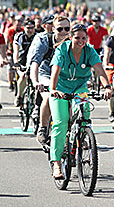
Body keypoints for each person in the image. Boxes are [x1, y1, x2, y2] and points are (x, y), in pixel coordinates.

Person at [49, 23, 113, 179]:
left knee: (84, 114)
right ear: (70, 37)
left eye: (84, 38)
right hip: (61, 88)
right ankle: (56, 162)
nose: (81, 41)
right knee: (61, 122)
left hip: (79, 87)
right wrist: (53, 89)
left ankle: (83, 135)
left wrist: (107, 87)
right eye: (77, 38)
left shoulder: (89, 51)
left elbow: (99, 69)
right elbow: (55, 70)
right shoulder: (62, 50)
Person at [28, 15, 71, 145]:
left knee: (73, 99)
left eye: (66, 29)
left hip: (64, 75)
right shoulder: (44, 40)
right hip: (45, 73)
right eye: (60, 29)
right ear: (53, 29)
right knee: (48, 97)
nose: (63, 32)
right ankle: (43, 128)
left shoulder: (72, 41)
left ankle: (73, 133)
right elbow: (35, 63)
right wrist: (35, 82)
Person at [13, 19, 36, 107]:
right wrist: (16, 62)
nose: (30, 30)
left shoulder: (38, 37)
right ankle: (19, 96)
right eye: (28, 28)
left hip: (33, 62)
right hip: (22, 62)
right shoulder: (19, 36)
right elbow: (16, 50)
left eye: (32, 28)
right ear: (24, 28)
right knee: (23, 76)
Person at [5, 16, 23, 92]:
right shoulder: (10, 30)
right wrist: (6, 51)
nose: (18, 26)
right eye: (17, 24)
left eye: (19, 24)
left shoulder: (22, 30)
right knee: (10, 68)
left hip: (19, 51)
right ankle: (10, 83)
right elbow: (7, 41)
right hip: (11, 51)